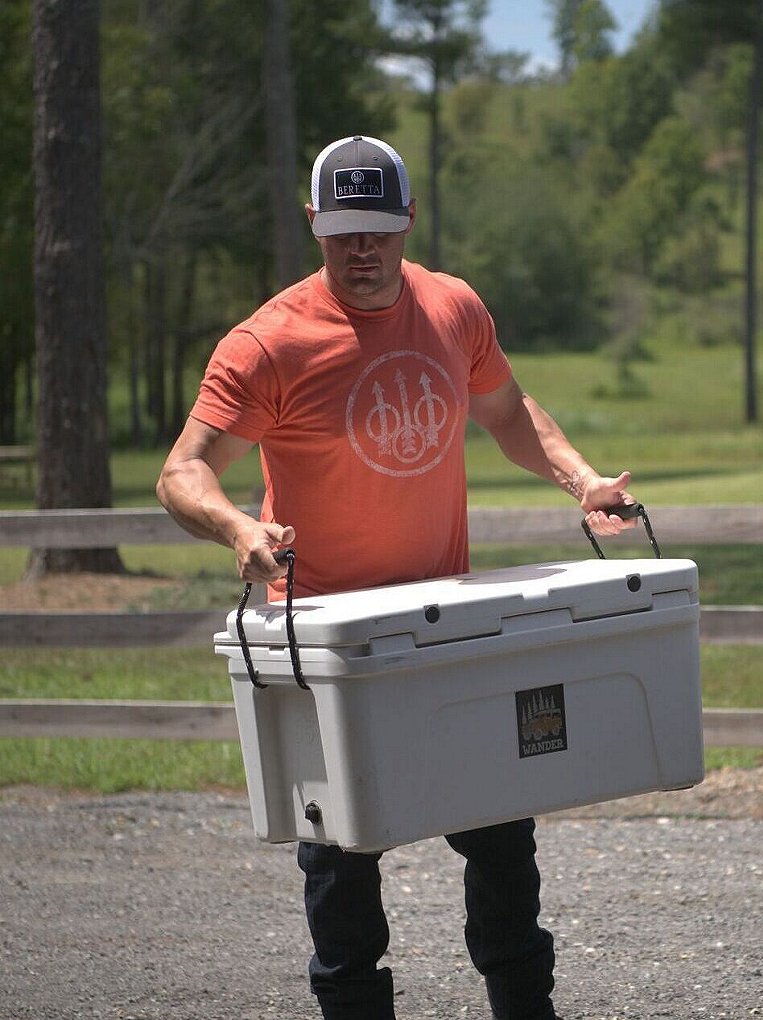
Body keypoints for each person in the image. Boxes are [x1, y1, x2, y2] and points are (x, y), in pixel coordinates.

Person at [157, 134, 638, 1020]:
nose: (363, 249)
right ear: (313, 225)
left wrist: (582, 478)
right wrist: (236, 526)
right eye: (343, 232)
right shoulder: (268, 344)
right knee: (342, 869)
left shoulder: (453, 309)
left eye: (379, 228)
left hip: (446, 629)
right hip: (329, 644)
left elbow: (505, 408)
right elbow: (181, 470)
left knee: (503, 844)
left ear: (409, 219)